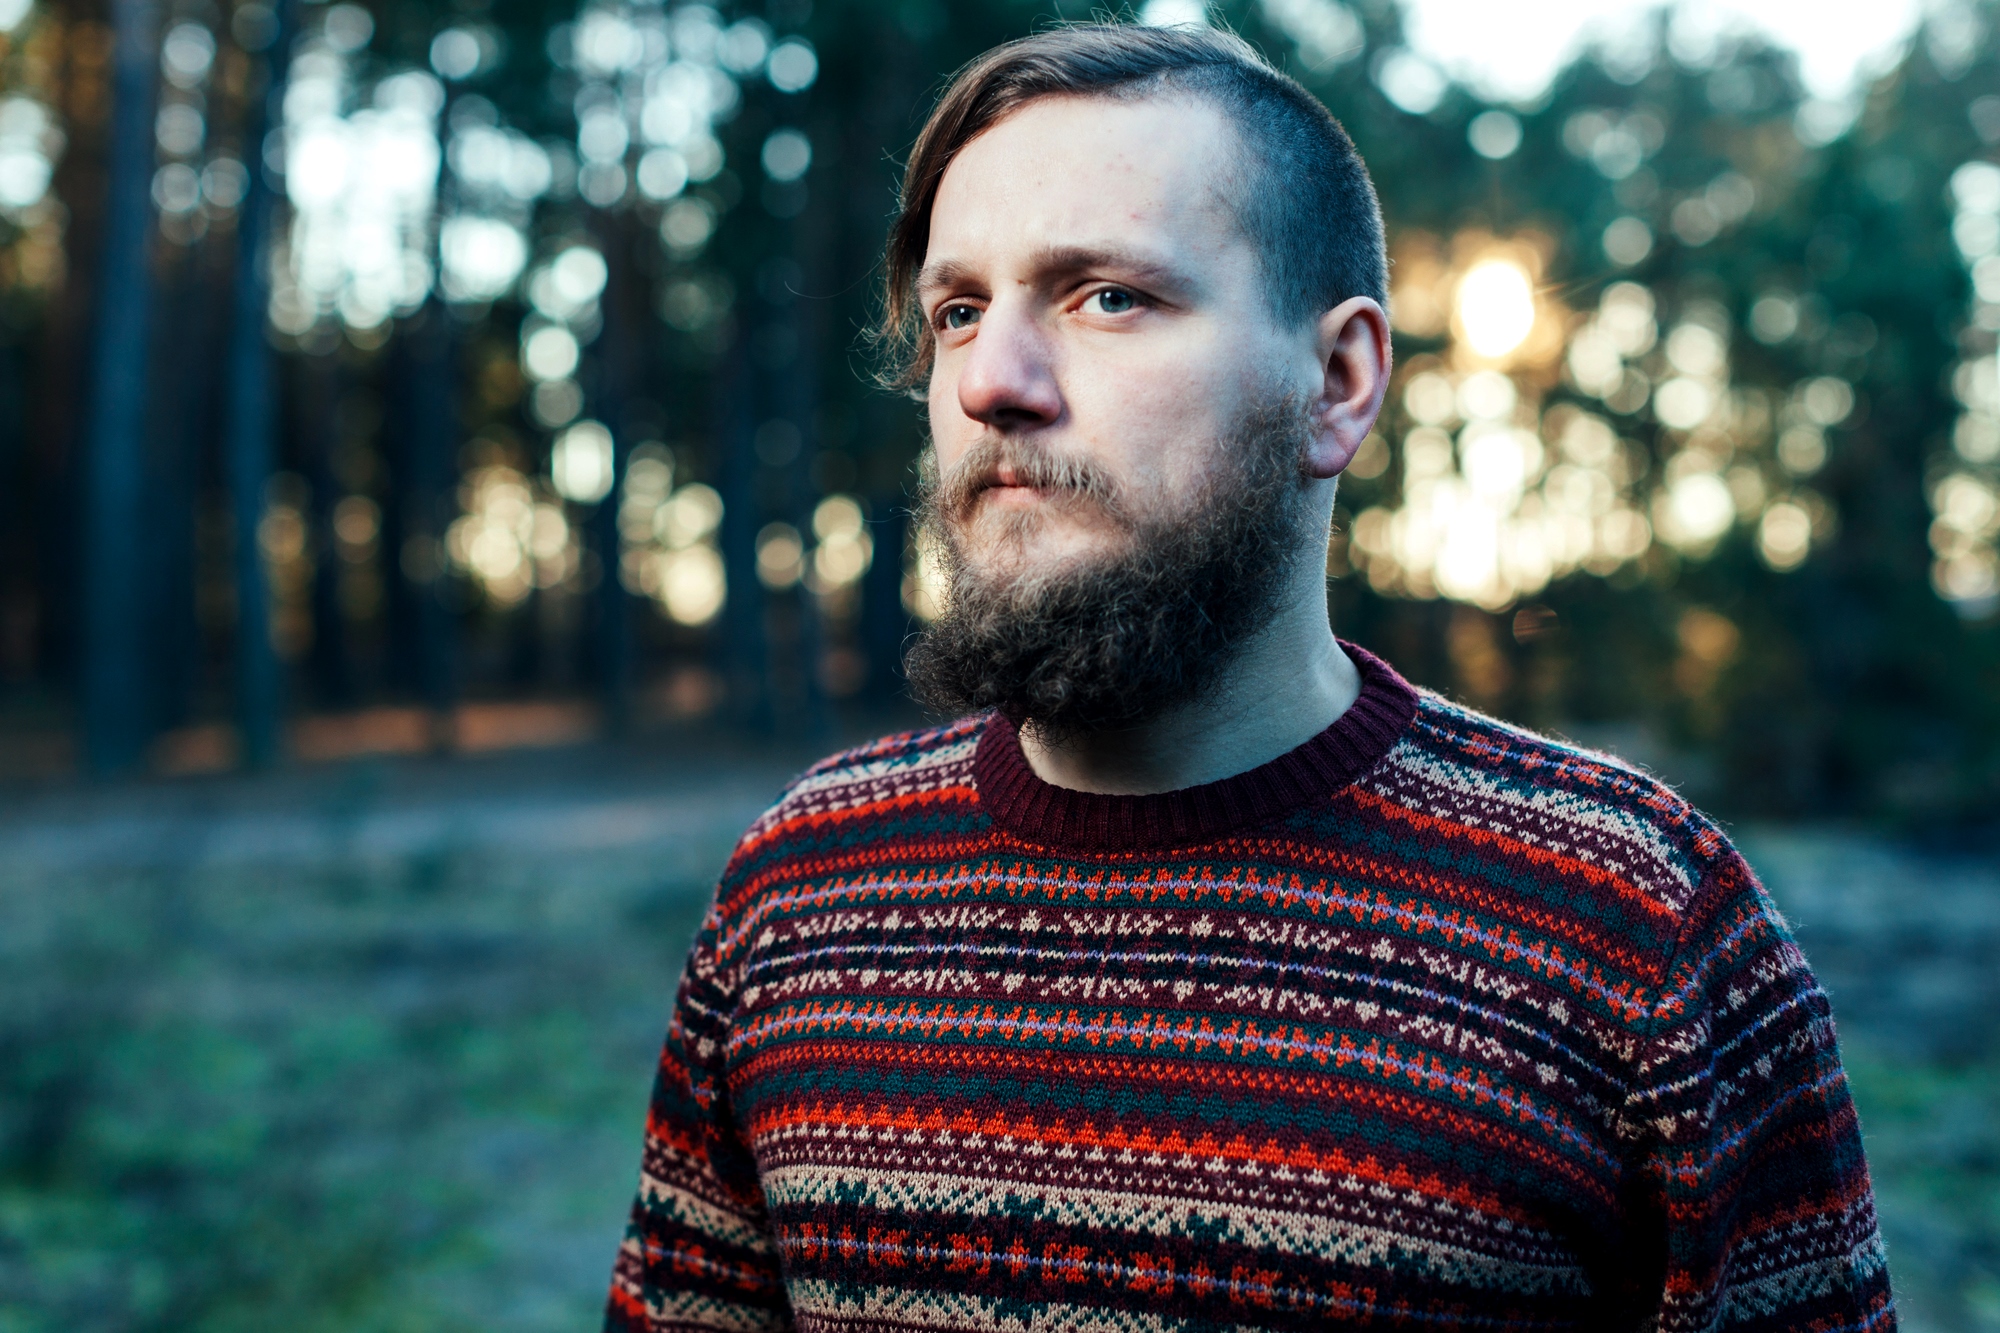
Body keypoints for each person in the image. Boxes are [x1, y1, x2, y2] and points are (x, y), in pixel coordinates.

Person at [607, 22, 1893, 1332]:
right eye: (958, 312)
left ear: (1338, 382)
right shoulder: (802, 886)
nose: (991, 380)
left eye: (1108, 296)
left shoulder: (1635, 925)